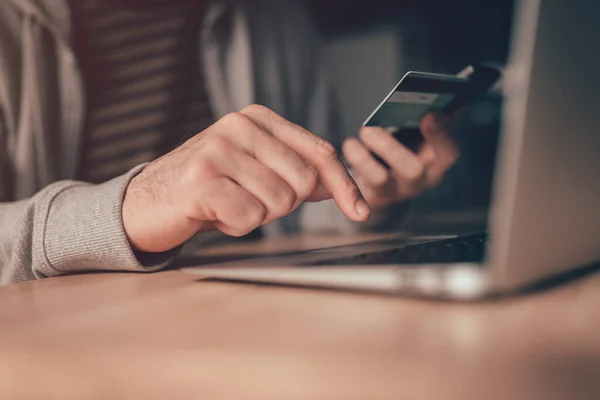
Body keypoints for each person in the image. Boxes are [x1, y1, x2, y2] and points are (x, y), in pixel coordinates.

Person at [0, 0, 459, 284]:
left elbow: (295, 207)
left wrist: (364, 202)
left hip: (254, 319)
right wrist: (129, 207)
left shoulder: (272, 15)